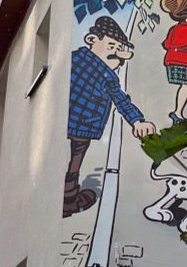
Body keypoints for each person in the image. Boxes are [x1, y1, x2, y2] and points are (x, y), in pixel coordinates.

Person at [64, 16, 156, 217]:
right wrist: (137, 121)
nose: (114, 50)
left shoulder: (76, 59)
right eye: (111, 45)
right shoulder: (104, 73)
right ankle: (68, 200)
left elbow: (121, 100)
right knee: (72, 161)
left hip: (71, 124)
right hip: (83, 126)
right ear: (91, 39)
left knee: (71, 161)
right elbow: (121, 100)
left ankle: (65, 198)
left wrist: (137, 120)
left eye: (118, 47)